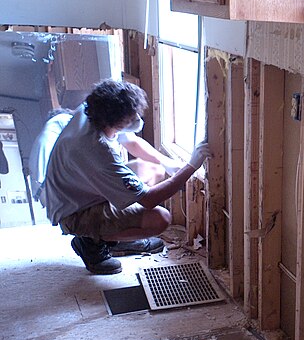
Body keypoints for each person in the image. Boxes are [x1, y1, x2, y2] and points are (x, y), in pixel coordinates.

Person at [45, 79, 211, 275]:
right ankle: (93, 241)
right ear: (115, 121)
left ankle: (111, 233)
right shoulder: (97, 151)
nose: (137, 121)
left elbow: (129, 140)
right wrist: (192, 165)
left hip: (79, 189)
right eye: (132, 119)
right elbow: (150, 200)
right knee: (160, 219)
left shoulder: (92, 110)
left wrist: (167, 162)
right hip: (75, 212)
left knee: (153, 170)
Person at [28, 108, 74, 207]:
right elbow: (81, 131)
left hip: (40, 190)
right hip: (49, 186)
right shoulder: (62, 118)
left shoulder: (47, 130)